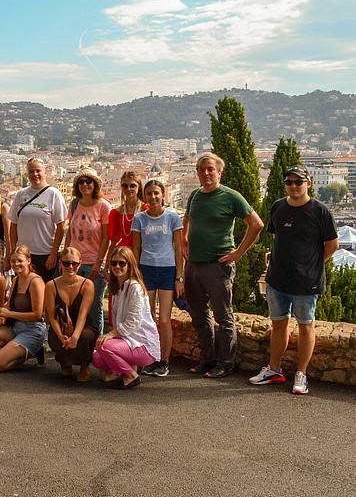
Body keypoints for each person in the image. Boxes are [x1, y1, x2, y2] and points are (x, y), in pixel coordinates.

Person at [248, 166, 338, 395]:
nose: (294, 186)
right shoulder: (278, 206)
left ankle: (301, 373)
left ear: (308, 183)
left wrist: (313, 264)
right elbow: (276, 236)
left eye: (299, 182)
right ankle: (274, 369)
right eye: (289, 182)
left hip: (306, 282)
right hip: (277, 279)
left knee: (306, 326)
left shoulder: (320, 211)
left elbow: (332, 245)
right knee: (278, 324)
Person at [183, 152, 264, 379]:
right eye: (202, 170)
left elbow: (256, 224)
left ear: (219, 172)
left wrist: (238, 252)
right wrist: (184, 243)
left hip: (217, 266)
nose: (206, 173)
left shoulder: (231, 197)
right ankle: (206, 359)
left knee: (223, 316)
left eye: (211, 169)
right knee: (199, 315)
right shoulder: (195, 196)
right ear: (197, 173)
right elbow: (187, 219)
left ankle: (225, 363)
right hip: (194, 265)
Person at [132, 178, 183, 377]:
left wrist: (179, 276)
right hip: (146, 269)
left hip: (167, 269)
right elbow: (136, 248)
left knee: (164, 320)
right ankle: (150, 358)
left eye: (156, 193)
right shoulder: (140, 219)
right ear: (144, 196)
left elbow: (179, 248)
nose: (153, 197)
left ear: (163, 195)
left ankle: (164, 361)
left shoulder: (172, 217)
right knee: (148, 318)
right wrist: (134, 274)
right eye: (149, 193)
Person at [93, 247, 161, 389]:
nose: (117, 266)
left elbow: (133, 323)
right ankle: (127, 368)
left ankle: (130, 376)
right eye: (114, 263)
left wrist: (110, 335)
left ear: (130, 265)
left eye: (122, 263)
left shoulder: (135, 288)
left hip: (142, 344)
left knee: (105, 346)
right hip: (127, 340)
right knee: (97, 358)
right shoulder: (118, 287)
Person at [0, 245, 46, 371]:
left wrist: (9, 314)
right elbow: (8, 305)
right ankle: (13, 348)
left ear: (28, 260)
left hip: (32, 329)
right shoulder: (16, 279)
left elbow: (37, 315)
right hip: (15, 327)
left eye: (20, 261)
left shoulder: (35, 281)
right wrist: (2, 315)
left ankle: (34, 350)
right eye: (13, 261)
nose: (16, 264)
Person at [66, 168, 111, 335]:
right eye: (81, 182)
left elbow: (106, 238)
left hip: (94, 263)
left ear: (95, 184)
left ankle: (96, 344)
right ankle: (79, 343)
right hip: (74, 263)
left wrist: (99, 263)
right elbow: (69, 232)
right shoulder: (74, 204)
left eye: (88, 181)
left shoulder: (103, 206)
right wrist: (65, 255)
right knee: (75, 304)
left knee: (94, 306)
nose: (84, 185)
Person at [7, 158, 67, 283]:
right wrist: (14, 251)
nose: (35, 174)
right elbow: (13, 225)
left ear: (45, 172)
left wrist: (53, 254)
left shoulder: (54, 194)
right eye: (31, 171)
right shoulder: (20, 195)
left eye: (38, 171)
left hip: (45, 255)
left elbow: (61, 227)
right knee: (24, 292)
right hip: (23, 256)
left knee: (45, 293)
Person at [45, 247, 97, 382]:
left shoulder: (87, 285)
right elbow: (51, 316)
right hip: (61, 326)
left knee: (85, 337)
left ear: (80, 263)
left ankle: (84, 366)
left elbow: (83, 314)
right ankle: (65, 362)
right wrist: (62, 337)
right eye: (66, 263)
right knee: (55, 337)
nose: (70, 267)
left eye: (74, 263)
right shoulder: (51, 285)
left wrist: (74, 337)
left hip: (83, 326)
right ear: (60, 263)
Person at [107, 171, 145, 261]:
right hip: (122, 259)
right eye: (125, 186)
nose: (128, 189)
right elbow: (113, 243)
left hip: (143, 258)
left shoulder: (146, 210)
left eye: (132, 186)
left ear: (139, 187)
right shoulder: (116, 213)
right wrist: (108, 264)